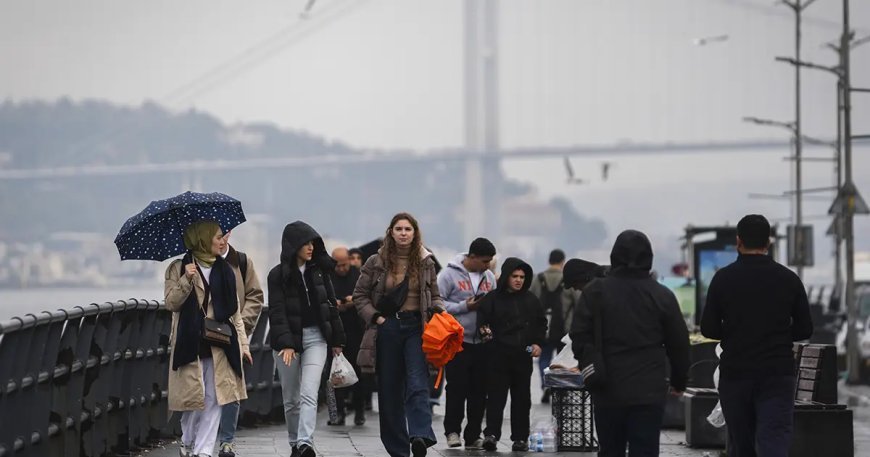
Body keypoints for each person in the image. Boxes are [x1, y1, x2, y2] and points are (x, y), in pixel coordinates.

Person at [700, 215, 813, 457]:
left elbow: (708, 328)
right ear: (768, 242)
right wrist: (778, 335)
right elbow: (805, 329)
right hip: (777, 373)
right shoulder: (789, 279)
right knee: (774, 438)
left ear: (738, 241)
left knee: (741, 443)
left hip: (736, 373)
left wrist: (735, 333)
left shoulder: (723, 279)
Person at [571, 230, 690, 457]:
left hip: (607, 386)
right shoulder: (662, 295)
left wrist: (589, 361)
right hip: (649, 390)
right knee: (645, 450)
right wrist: (678, 381)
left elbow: (579, 334)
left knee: (610, 450)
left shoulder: (595, 291)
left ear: (615, 256)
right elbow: (679, 343)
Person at [353, 212, 443, 457]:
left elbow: (435, 295)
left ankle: (420, 435)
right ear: (391, 232)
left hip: (417, 328)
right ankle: (397, 448)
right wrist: (377, 318)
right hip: (389, 327)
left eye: (408, 229)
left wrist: (441, 312)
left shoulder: (426, 261)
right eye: (399, 229)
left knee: (417, 381)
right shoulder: (376, 261)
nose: (403, 233)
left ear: (415, 233)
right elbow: (359, 296)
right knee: (390, 388)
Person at [164, 221, 250, 457]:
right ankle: (188, 440)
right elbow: (171, 303)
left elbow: (235, 313)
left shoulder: (226, 270)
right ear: (202, 239)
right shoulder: (178, 268)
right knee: (194, 399)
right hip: (190, 342)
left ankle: (203, 452)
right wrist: (186, 280)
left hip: (220, 342)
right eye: (218, 237)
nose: (223, 241)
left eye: (223, 236)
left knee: (215, 397)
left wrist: (243, 344)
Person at [267, 221, 346, 457]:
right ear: (293, 246)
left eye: (313, 242)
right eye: (305, 243)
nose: (310, 247)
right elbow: (277, 312)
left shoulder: (319, 271)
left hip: (316, 338)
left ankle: (305, 443)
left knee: (309, 392)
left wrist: (337, 341)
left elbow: (330, 306)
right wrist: (287, 344)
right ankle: (294, 443)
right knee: (290, 398)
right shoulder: (277, 275)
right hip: (288, 342)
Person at [477, 257, 547, 452]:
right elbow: (482, 322)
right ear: (506, 277)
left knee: (522, 400)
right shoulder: (492, 299)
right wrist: (489, 340)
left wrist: (538, 343)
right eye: (514, 276)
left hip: (522, 358)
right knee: (496, 398)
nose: (518, 280)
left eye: (522, 277)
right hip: (497, 356)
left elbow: (541, 323)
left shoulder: (531, 299)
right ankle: (491, 434)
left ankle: (520, 438)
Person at [436, 237, 497, 449]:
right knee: (456, 388)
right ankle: (452, 431)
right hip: (457, 341)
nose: (488, 265)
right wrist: (465, 306)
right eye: (484, 261)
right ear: (472, 257)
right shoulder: (448, 274)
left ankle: (473, 434)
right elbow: (438, 303)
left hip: (482, 341)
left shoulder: (488, 276)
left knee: (479, 391)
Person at [216, 231, 264, 457]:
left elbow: (255, 295)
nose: (222, 238)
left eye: (224, 233)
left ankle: (227, 440)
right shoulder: (199, 261)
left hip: (235, 334)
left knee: (233, 383)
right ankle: (206, 436)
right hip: (209, 333)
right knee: (208, 385)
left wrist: (241, 325)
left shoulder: (241, 261)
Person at [529, 249, 578, 403]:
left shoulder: (538, 279)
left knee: (544, 357)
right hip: (564, 328)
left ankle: (546, 384)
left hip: (543, 327)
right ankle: (560, 387)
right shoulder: (568, 280)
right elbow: (578, 301)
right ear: (562, 261)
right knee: (562, 360)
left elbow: (531, 299)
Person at [329, 246, 368, 426]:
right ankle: (338, 413)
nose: (342, 269)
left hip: (355, 329)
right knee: (335, 373)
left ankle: (359, 411)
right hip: (335, 330)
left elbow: (364, 297)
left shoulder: (357, 275)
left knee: (358, 372)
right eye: (338, 266)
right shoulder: (328, 275)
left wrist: (353, 301)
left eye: (345, 265)